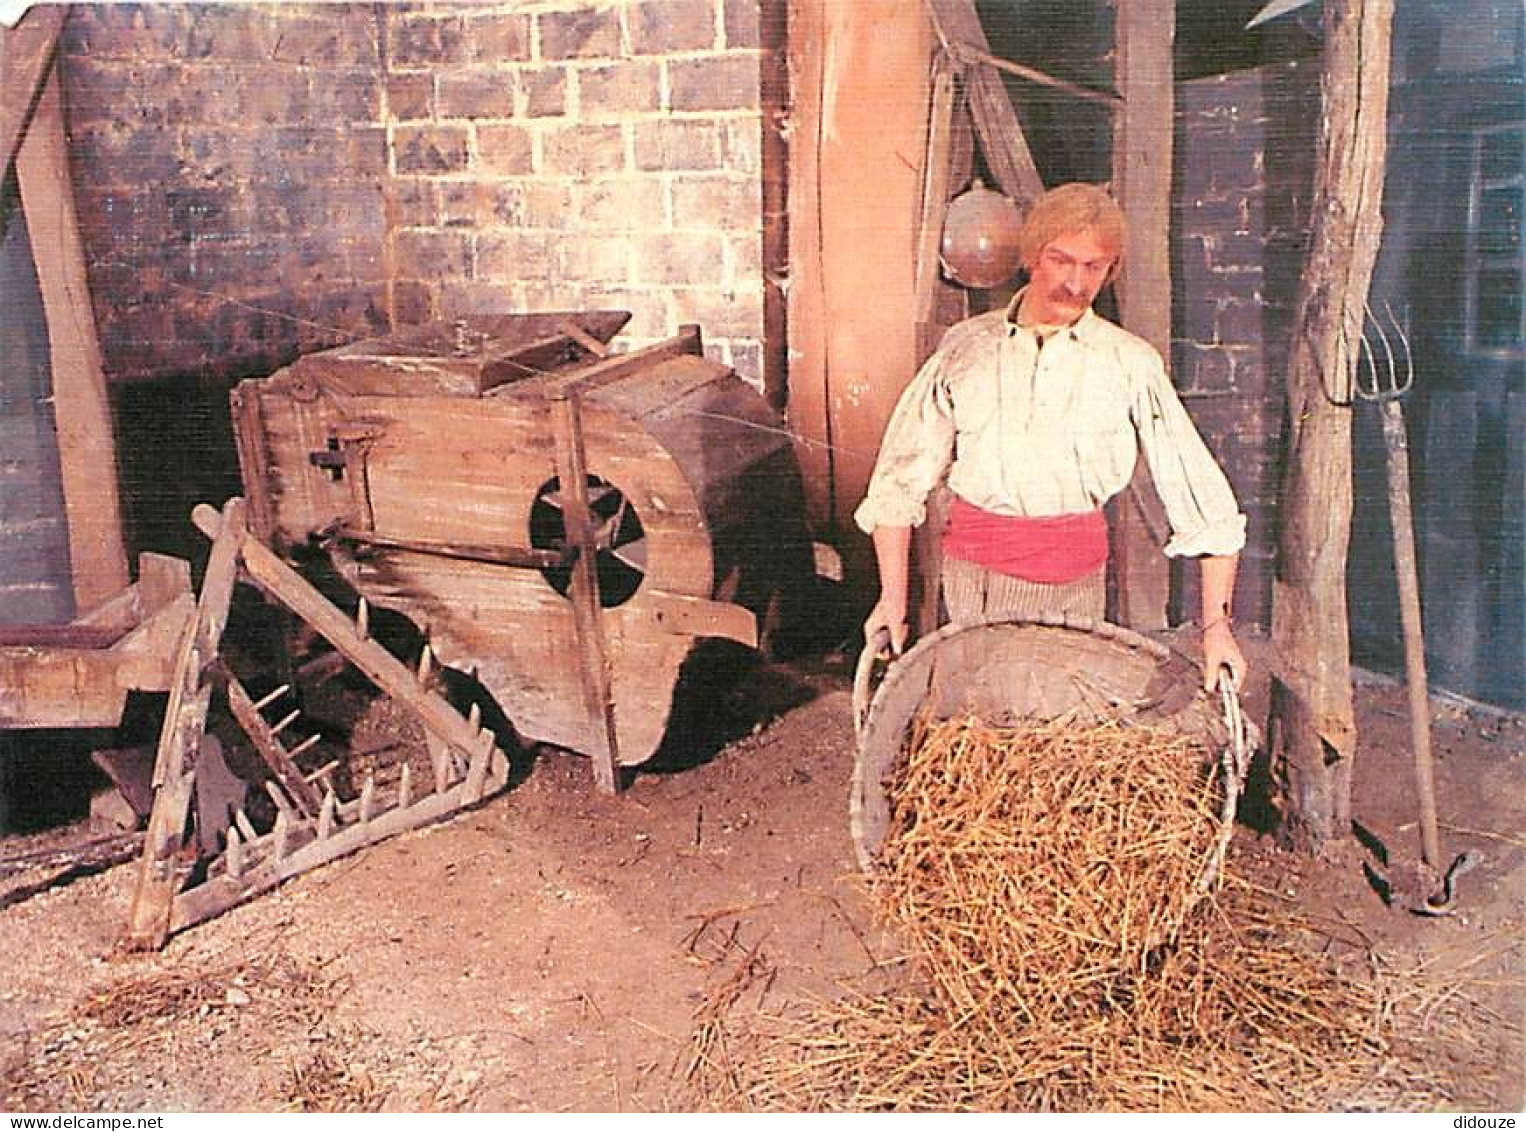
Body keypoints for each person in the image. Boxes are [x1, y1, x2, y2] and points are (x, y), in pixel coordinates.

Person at [854, 182, 1247, 690]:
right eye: (1061, 261)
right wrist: (892, 598)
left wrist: (1217, 630)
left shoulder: (1128, 363)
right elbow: (898, 481)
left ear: (1111, 270)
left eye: (1094, 266)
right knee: (979, 726)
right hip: (974, 584)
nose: (1076, 283)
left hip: (1074, 590)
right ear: (1032, 257)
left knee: (1060, 729)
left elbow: (1207, 504)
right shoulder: (966, 349)